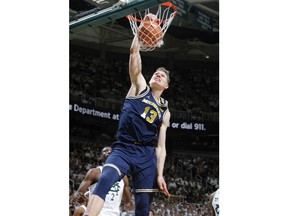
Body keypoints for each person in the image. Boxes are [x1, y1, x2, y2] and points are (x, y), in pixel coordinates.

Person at [85, 35, 171, 216]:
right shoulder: (139, 86)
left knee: (143, 206)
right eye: (156, 73)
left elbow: (161, 147)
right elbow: (134, 52)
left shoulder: (165, 110)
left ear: (166, 85)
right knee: (105, 180)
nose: (157, 75)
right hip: (124, 148)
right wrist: (139, 35)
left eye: (162, 76)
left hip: (146, 155)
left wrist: (160, 174)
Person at [74, 146, 133, 216]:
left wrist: (130, 204)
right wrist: (79, 197)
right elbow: (77, 193)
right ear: (100, 157)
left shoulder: (123, 177)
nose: (109, 152)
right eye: (105, 151)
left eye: (111, 151)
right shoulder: (94, 172)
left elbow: (127, 201)